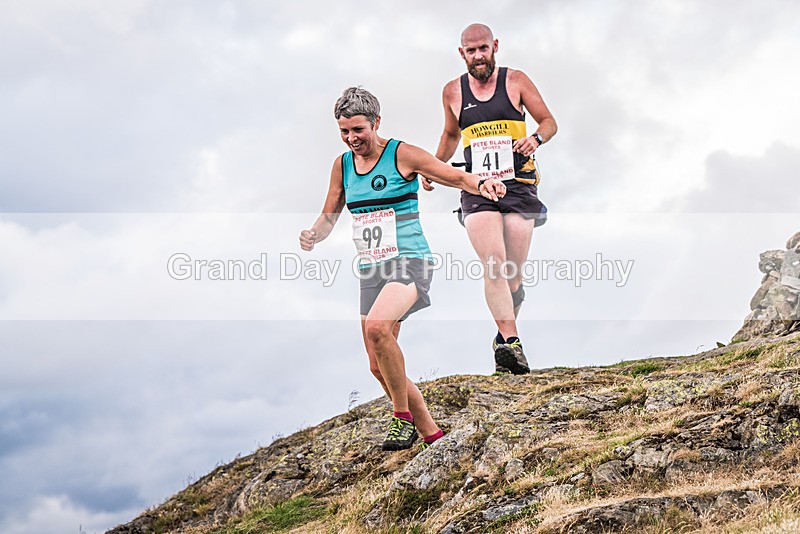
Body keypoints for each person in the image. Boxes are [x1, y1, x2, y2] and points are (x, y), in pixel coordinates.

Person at [299, 87, 505, 451]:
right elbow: (330, 213)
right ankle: (433, 436)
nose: (351, 139)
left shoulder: (401, 154)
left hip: (410, 261)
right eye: (344, 131)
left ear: (376, 123)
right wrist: (315, 233)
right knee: (378, 366)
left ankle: (401, 418)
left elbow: (451, 176)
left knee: (379, 328)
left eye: (358, 130)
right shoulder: (342, 165)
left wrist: (481, 182)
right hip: (371, 269)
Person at [425, 23, 557, 375]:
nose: (478, 56)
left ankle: (502, 335)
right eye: (471, 51)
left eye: (484, 48)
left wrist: (536, 139)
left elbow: (548, 122)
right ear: (461, 53)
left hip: (518, 185)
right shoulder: (452, 91)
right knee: (494, 263)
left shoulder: (515, 81)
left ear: (495, 46)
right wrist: (434, 167)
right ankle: (512, 344)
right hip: (477, 187)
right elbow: (451, 134)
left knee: (512, 275)